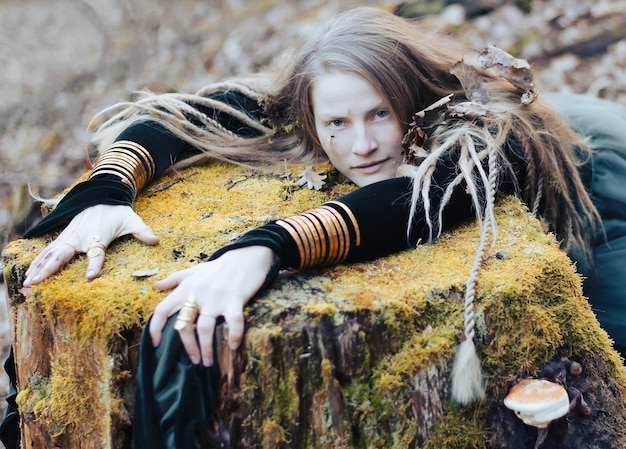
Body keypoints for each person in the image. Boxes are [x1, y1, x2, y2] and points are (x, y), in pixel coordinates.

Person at [3, 5, 625, 448]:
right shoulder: (311, 99)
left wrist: (266, 247)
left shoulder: (491, 129)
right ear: (311, 114)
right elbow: (182, 116)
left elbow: (421, 200)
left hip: (604, 187)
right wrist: (105, 192)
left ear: (410, 98)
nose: (360, 145)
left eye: (380, 114)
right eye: (336, 125)